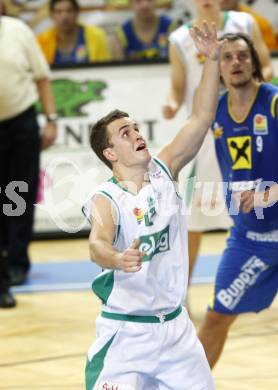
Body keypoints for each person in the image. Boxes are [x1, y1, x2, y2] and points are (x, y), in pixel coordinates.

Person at [83, 22, 221, 390]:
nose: (137, 134)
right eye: (125, 133)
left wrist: (211, 59)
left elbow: (202, 117)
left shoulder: (164, 170)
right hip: (127, 335)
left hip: (177, 333)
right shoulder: (106, 198)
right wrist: (116, 258)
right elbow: (97, 243)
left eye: (136, 128)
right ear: (110, 154)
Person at [163, 0, 273, 290]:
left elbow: (266, 65)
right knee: (192, 219)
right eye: (227, 58)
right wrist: (171, 104)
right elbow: (177, 89)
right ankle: (181, 291)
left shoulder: (244, 23)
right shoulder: (179, 38)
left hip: (252, 124)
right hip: (210, 134)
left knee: (260, 206)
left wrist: (252, 87)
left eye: (240, 56)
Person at [198, 32, 278, 369]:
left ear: (255, 62)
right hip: (250, 238)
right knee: (216, 317)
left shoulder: (273, 102)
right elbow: (189, 124)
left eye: (243, 55)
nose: (236, 62)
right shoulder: (214, 111)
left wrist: (271, 192)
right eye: (227, 57)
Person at [0, 14, 57, 308]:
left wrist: (51, 119)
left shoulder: (17, 30)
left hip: (20, 122)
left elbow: (42, 78)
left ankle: (17, 260)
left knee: (18, 194)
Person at [37, 0, 111, 65]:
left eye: (69, 11)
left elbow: (104, 68)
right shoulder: (42, 40)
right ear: (51, 15)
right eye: (59, 12)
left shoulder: (96, 36)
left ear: (77, 13)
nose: (64, 16)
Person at [111, 0, 176, 60]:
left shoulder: (171, 28)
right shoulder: (120, 34)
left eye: (149, 0)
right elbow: (119, 70)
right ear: (130, 4)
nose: (145, 5)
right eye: (138, 1)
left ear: (156, 1)